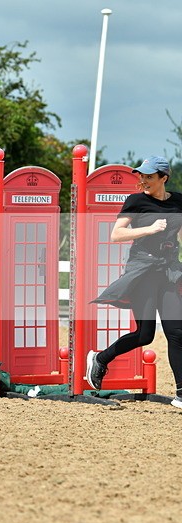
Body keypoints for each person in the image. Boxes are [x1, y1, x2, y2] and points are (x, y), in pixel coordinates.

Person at [86, 155, 182, 407]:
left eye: (149, 176)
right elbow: (116, 234)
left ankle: (181, 393)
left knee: (176, 332)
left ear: (164, 178)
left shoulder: (179, 201)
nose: (144, 180)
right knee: (144, 335)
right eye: (142, 176)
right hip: (144, 272)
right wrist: (149, 229)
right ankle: (100, 359)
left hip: (169, 272)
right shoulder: (136, 201)